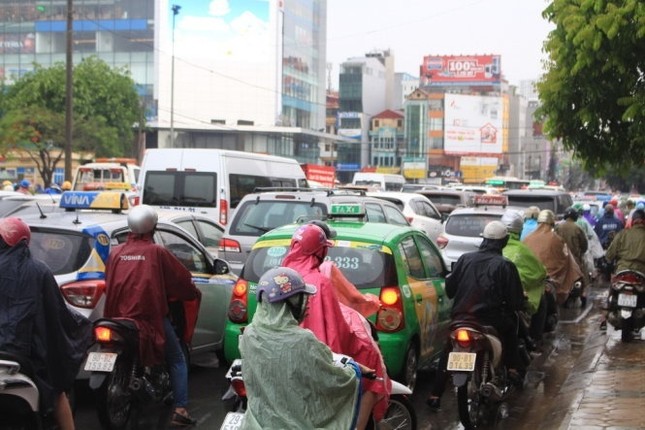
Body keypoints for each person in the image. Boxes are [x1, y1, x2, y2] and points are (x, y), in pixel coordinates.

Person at [281, 222, 390, 429]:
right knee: (371, 366)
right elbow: (335, 330)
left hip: (276, 352)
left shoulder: (280, 276)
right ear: (320, 250)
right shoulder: (319, 282)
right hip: (312, 355)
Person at [104, 205, 201, 427]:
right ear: (152, 227)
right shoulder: (157, 252)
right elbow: (180, 281)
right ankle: (180, 409)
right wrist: (191, 292)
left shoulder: (115, 253)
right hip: (147, 319)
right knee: (177, 359)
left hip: (117, 320)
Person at [239, 267, 363, 429]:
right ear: (289, 302)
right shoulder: (302, 340)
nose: (307, 304)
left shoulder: (250, 334)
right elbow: (333, 381)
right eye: (301, 298)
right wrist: (353, 372)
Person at [0, 217, 92, 430]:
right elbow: (56, 317)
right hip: (23, 359)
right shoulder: (38, 271)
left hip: (18, 357)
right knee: (58, 392)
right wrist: (82, 328)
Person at [427, 221, 526, 410]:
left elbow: (450, 289)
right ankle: (513, 367)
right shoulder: (505, 265)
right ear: (504, 242)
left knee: (448, 350)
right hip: (490, 320)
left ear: (484, 239)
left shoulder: (464, 259)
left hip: (461, 317)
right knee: (512, 327)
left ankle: (435, 394)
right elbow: (515, 302)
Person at [500, 210, 548, 344]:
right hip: (511, 296)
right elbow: (540, 271)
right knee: (541, 301)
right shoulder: (521, 249)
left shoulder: (481, 251)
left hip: (488, 296)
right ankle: (535, 339)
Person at [524, 210, 585, 305]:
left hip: (531, 279)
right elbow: (566, 259)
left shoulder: (527, 239)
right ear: (552, 223)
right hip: (550, 279)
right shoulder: (557, 239)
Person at [599, 209, 645, 331]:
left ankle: (604, 317)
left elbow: (609, 254)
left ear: (633, 221)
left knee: (610, 291)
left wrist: (607, 260)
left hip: (622, 271)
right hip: (641, 273)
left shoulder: (623, 234)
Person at [555, 207, 589, 307]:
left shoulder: (558, 227)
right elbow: (584, 245)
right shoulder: (578, 228)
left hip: (561, 259)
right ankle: (583, 294)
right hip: (575, 259)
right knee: (583, 276)